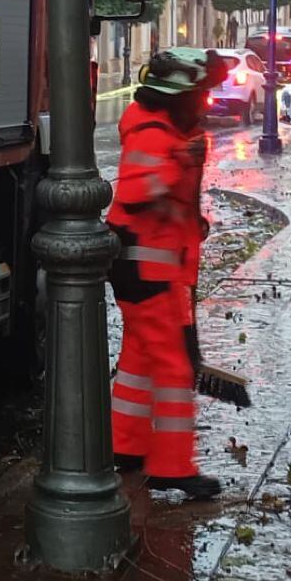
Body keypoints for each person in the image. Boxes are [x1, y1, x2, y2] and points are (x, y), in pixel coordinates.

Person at [105, 48, 228, 501]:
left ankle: (126, 447)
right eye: (199, 94)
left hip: (151, 265)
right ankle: (173, 468)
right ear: (178, 95)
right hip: (146, 266)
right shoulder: (153, 133)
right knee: (175, 369)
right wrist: (181, 161)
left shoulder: (162, 128)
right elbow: (139, 193)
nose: (203, 103)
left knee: (139, 361)